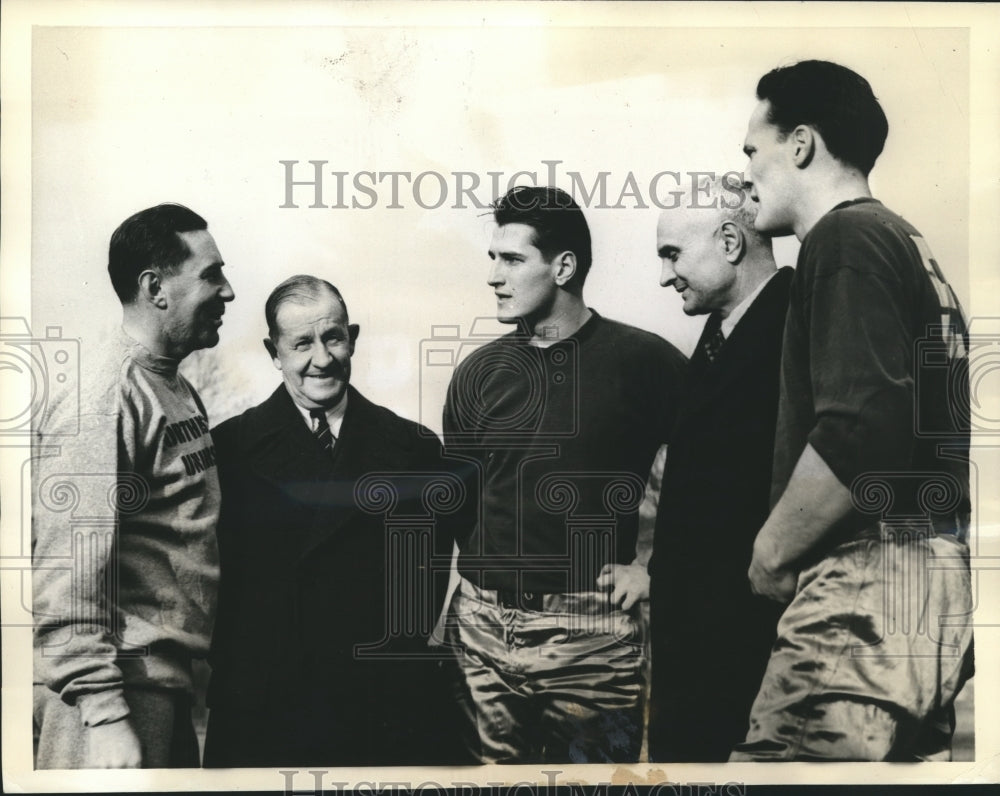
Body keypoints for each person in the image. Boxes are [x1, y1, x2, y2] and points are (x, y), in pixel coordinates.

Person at [732, 59, 974, 761]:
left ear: (800, 144)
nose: (745, 171)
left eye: (753, 149)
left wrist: (771, 548)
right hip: (929, 574)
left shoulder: (844, 238)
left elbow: (860, 426)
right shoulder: (903, 239)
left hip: (867, 576)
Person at [442, 185, 687, 764]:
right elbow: (460, 502)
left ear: (564, 267)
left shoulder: (644, 361)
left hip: (590, 634)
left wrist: (654, 567)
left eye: (513, 260)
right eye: (492, 260)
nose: (495, 277)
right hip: (482, 630)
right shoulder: (479, 372)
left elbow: (716, 469)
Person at [204, 275, 466, 767]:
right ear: (273, 352)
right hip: (264, 716)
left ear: (354, 339)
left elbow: (433, 582)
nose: (321, 358)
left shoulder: (415, 449)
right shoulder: (228, 452)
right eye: (301, 343)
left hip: (381, 715)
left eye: (333, 337)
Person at [32, 203, 235, 768]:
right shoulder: (104, 400)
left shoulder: (174, 388)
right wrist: (104, 712)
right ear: (155, 288)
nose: (229, 292)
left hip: (161, 684)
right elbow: (66, 571)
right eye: (212, 274)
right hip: (113, 692)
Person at [635, 175, 792, 761]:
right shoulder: (718, 335)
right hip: (698, 648)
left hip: (751, 649)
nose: (662, 274)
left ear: (730, 243)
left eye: (672, 254)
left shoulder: (796, 323)